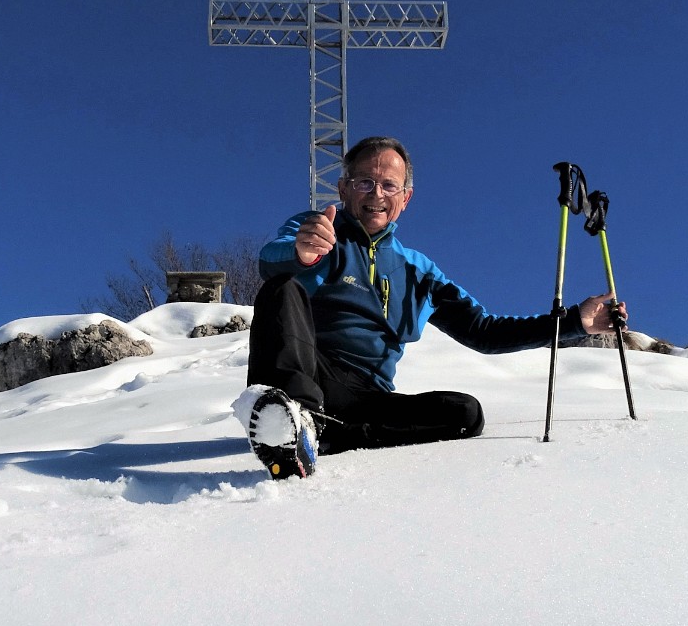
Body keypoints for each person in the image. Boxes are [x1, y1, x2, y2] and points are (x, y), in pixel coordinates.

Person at [240, 136, 627, 479]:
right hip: (306, 376)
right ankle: (297, 428)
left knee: (465, 413)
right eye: (364, 182)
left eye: (389, 185)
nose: (377, 194)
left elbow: (485, 331)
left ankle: (336, 435)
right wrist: (301, 252)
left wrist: (576, 322)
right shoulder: (318, 228)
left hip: (369, 399)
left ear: (405, 198)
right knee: (282, 288)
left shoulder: (419, 271)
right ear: (344, 189)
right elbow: (270, 261)